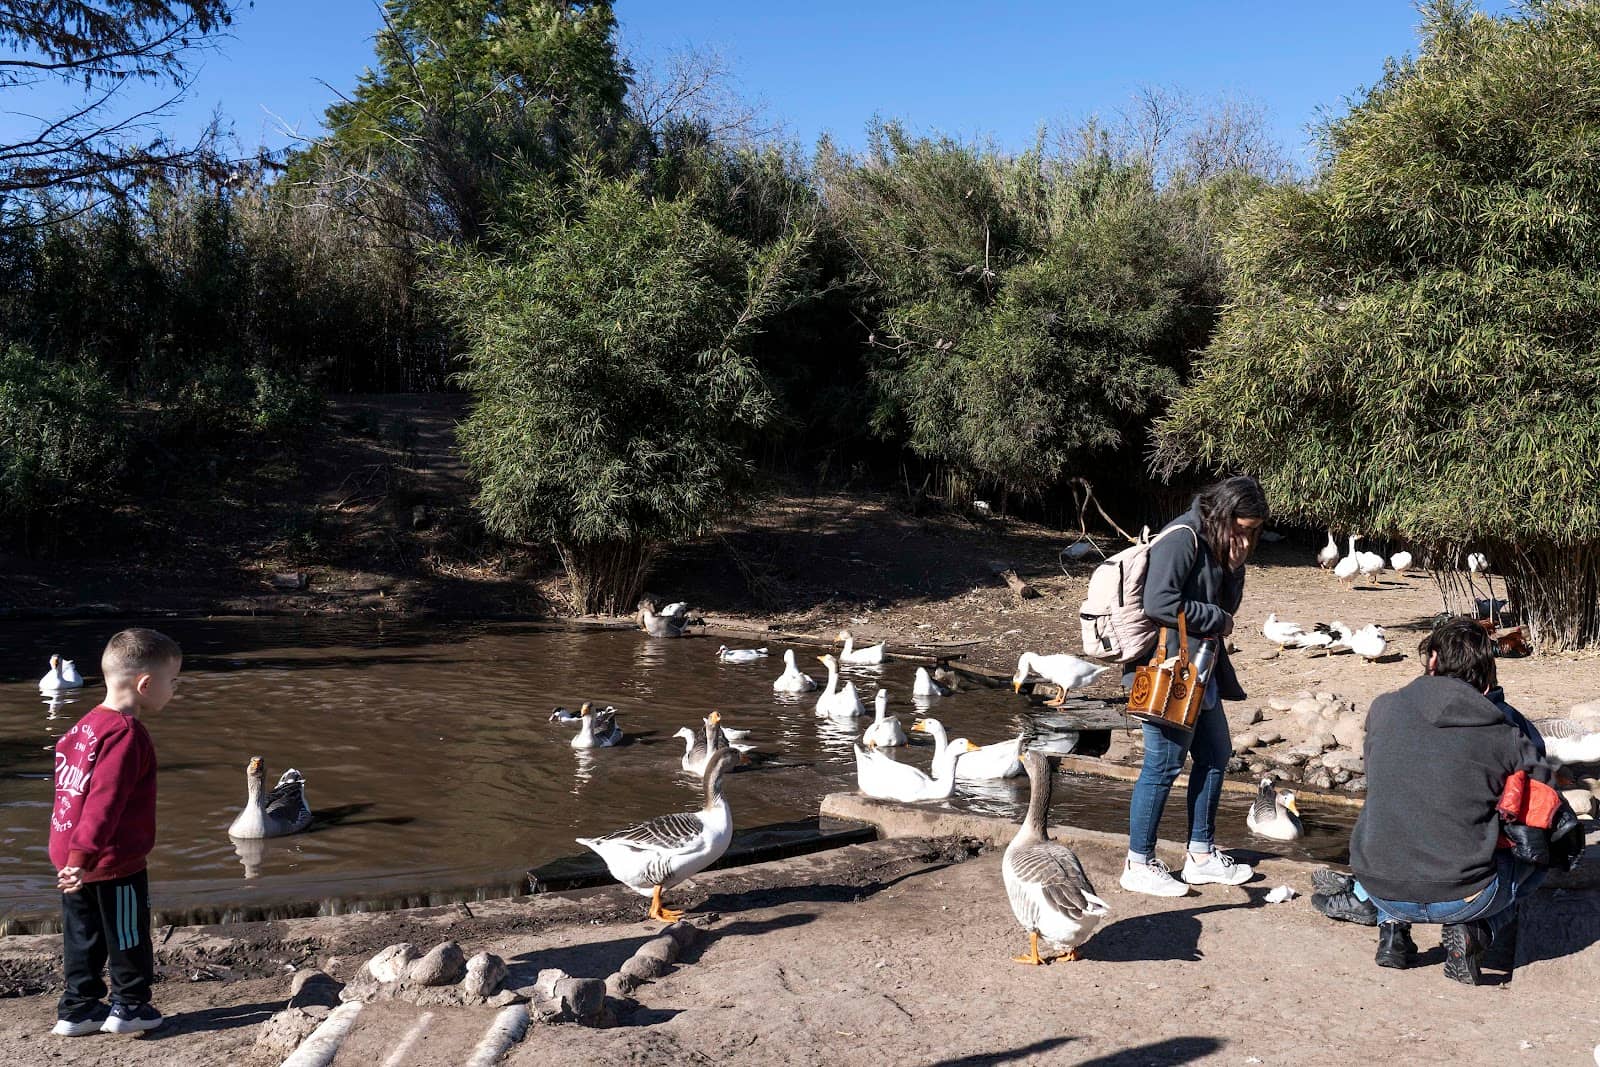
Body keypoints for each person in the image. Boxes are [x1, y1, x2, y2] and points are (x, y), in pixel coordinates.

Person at [1316, 617, 1561, 985]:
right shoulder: (1505, 730)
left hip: (1383, 890)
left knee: (1404, 804)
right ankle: (1479, 931)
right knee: (1536, 854)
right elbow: (1542, 800)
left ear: (1432, 659)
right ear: (1487, 670)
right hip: (1466, 897)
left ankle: (1393, 931)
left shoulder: (1382, 709)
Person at [1120, 476, 1268, 897]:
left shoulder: (1220, 545)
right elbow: (1159, 603)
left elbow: (1227, 606)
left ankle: (1201, 856)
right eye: (1240, 528)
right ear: (1222, 514)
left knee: (1216, 753)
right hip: (1169, 670)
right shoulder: (1182, 538)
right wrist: (1217, 620)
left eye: (1252, 531)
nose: (1244, 537)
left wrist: (1235, 568)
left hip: (1201, 671)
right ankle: (1138, 862)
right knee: (1163, 764)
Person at [49, 628, 182, 1036]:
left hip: (71, 855)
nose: (174, 690)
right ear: (145, 684)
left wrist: (71, 859)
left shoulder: (83, 727)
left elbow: (66, 795)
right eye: (173, 681)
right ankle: (129, 1007)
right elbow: (103, 806)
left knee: (83, 935)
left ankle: (78, 1008)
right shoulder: (126, 735)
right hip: (112, 859)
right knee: (127, 933)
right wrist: (84, 857)